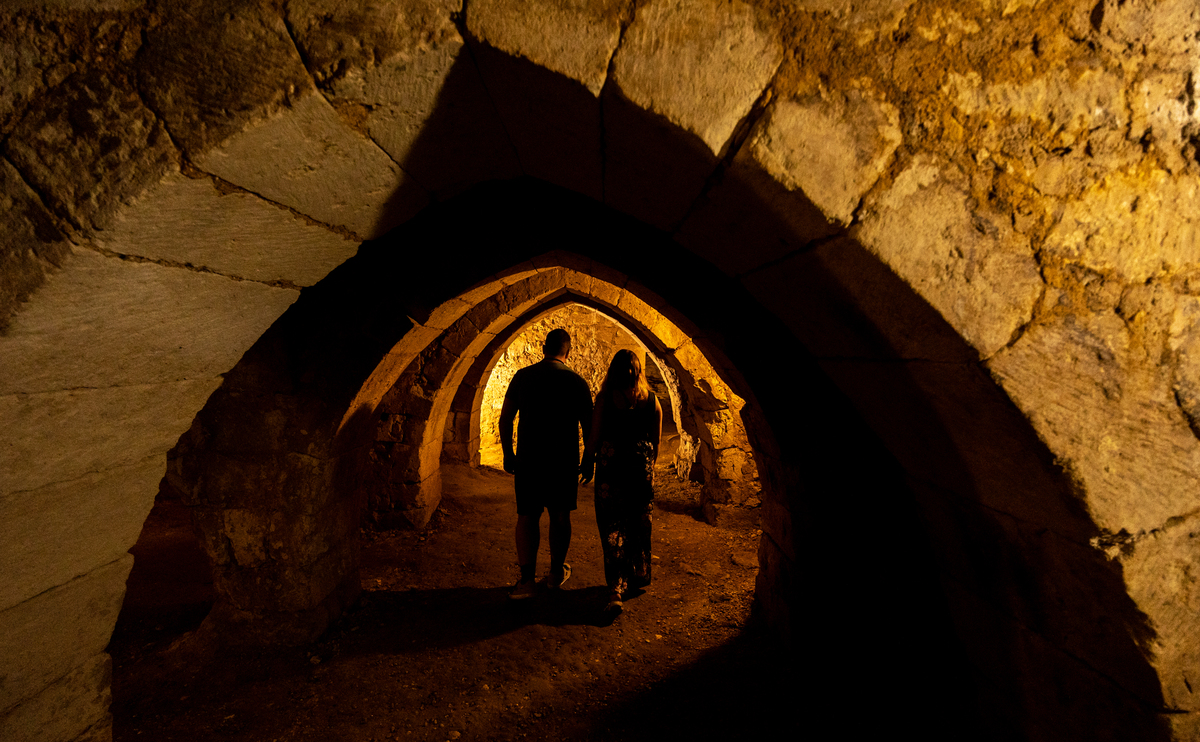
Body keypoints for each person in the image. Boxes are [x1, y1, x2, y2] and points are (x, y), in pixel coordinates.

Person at [499, 328, 594, 600]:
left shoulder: (523, 377)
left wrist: (508, 453)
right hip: (562, 460)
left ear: (543, 348)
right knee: (560, 516)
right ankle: (554, 574)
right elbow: (588, 426)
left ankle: (527, 580)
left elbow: (506, 419)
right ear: (568, 351)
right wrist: (589, 460)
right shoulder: (576, 382)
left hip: (529, 458)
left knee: (527, 515)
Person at [581, 349, 663, 616]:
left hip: (611, 470)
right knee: (638, 523)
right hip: (639, 471)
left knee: (612, 527)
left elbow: (594, 437)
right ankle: (639, 574)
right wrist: (645, 466)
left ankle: (616, 587)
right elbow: (656, 442)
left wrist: (587, 463)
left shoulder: (605, 399)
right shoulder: (652, 401)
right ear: (639, 371)